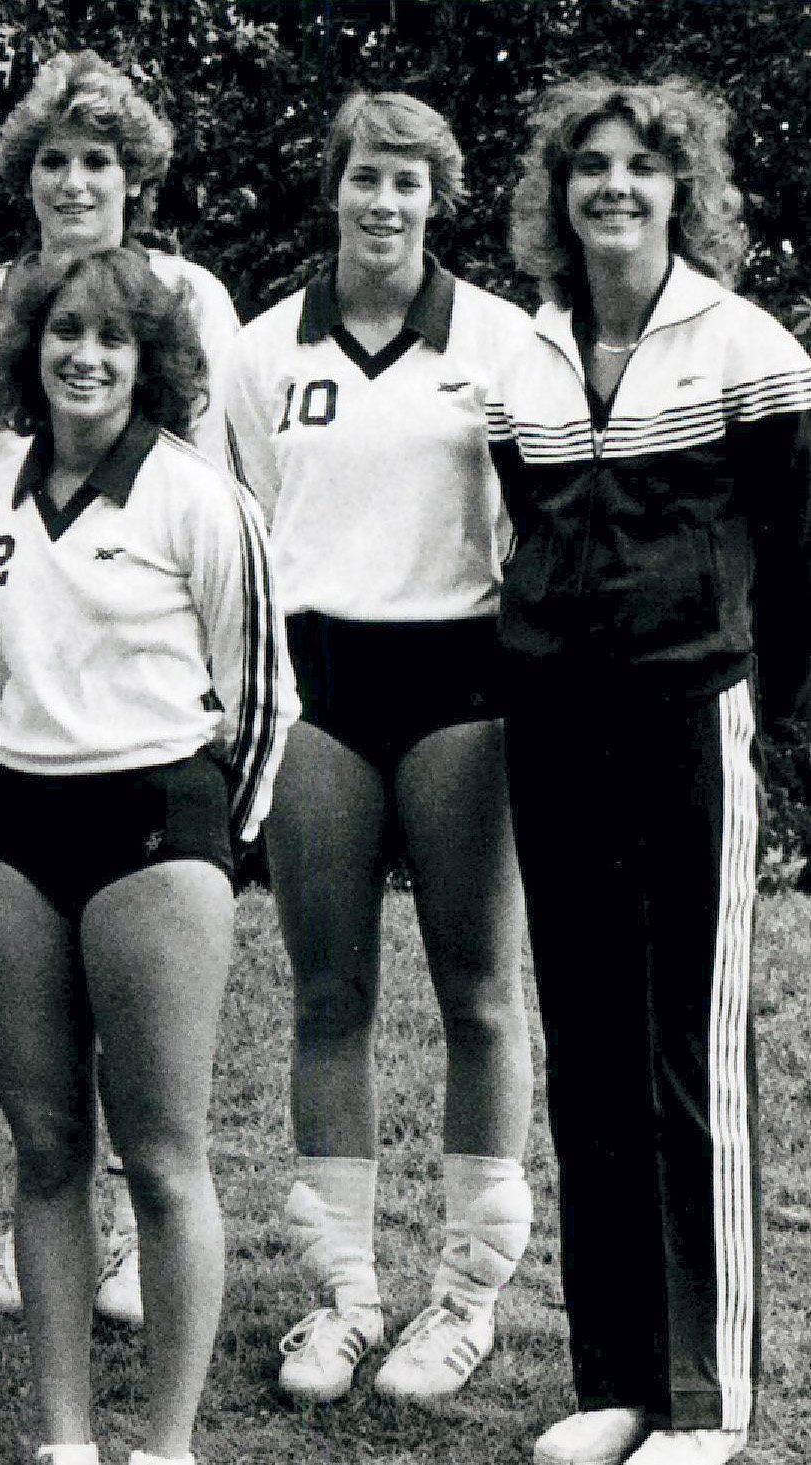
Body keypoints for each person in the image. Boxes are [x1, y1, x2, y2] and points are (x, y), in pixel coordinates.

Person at [489, 78, 808, 1465]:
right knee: (589, 1056)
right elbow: (523, 541)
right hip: (555, 732)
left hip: (691, 723)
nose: (611, 187)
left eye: (639, 165)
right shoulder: (521, 359)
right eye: (587, 167)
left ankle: (703, 1399)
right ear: (556, 194)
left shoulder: (746, 348)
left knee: (687, 1055)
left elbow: (794, 563)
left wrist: (764, 724)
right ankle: (615, 1378)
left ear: (683, 188)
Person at [218, 92, 539, 1407]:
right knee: (327, 996)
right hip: (319, 694)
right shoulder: (257, 351)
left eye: (407, 180)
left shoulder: (505, 342)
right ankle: (343, 1297)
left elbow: (537, 529)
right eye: (365, 175)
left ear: (436, 197)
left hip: (460, 685)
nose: (383, 201)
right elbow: (242, 533)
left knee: (478, 992)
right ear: (334, 186)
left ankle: (462, 1299)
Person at [0, 245, 292, 1465]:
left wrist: (208, 848)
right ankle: (64, 1437)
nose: (84, 356)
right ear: (28, 347)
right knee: (46, 1150)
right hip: (15, 829)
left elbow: (263, 696)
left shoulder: (197, 496)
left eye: (111, 337)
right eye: (64, 332)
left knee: (159, 1156)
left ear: (148, 361)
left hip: (154, 825)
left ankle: (162, 1444)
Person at [0, 47, 241, 1327]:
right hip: (28, 682)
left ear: (132, 178)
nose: (72, 182)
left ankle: (131, 1222)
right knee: (41, 1066)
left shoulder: (191, 297)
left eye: (95, 161)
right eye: (51, 160)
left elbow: (208, 501)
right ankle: (67, 1224)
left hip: (148, 710)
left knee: (152, 1057)